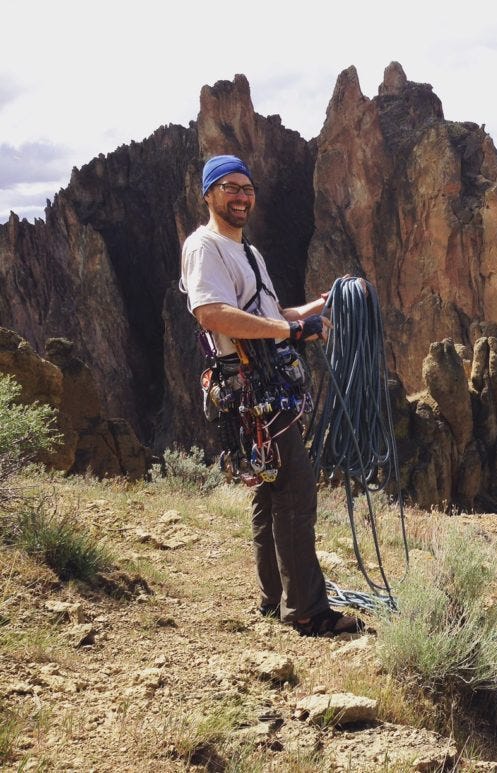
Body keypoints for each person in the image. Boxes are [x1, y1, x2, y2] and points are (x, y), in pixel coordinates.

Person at [179, 154, 362, 637]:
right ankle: (308, 611)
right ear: (209, 194)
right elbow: (213, 314)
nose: (241, 196)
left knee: (270, 489)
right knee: (296, 490)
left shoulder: (248, 252)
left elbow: (268, 312)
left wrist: (312, 309)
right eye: (230, 188)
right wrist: (293, 330)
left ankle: (274, 598)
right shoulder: (204, 247)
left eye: (247, 188)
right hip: (248, 387)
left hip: (266, 384)